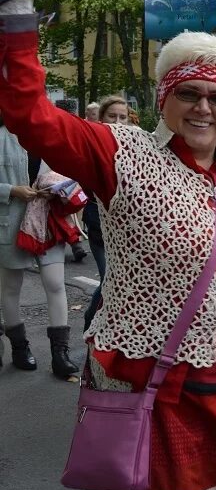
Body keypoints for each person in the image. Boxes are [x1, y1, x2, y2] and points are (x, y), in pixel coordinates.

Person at [0, 0, 216, 490]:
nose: (203, 109)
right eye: (188, 93)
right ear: (164, 97)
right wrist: (16, 12)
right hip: (153, 382)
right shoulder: (122, 152)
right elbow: (29, 114)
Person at [0, 113, 79, 377]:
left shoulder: (49, 135)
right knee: (11, 287)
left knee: (56, 283)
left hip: (47, 220)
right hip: (9, 223)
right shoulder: (2, 135)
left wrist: (60, 187)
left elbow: (72, 170)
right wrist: (11, 190)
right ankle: (19, 347)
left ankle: (60, 353)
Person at [81, 96, 131, 330]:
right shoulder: (92, 147)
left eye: (123, 117)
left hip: (128, 229)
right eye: (113, 116)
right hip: (99, 223)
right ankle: (91, 321)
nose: (118, 122)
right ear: (101, 119)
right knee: (108, 279)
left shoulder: (136, 148)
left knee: (121, 280)